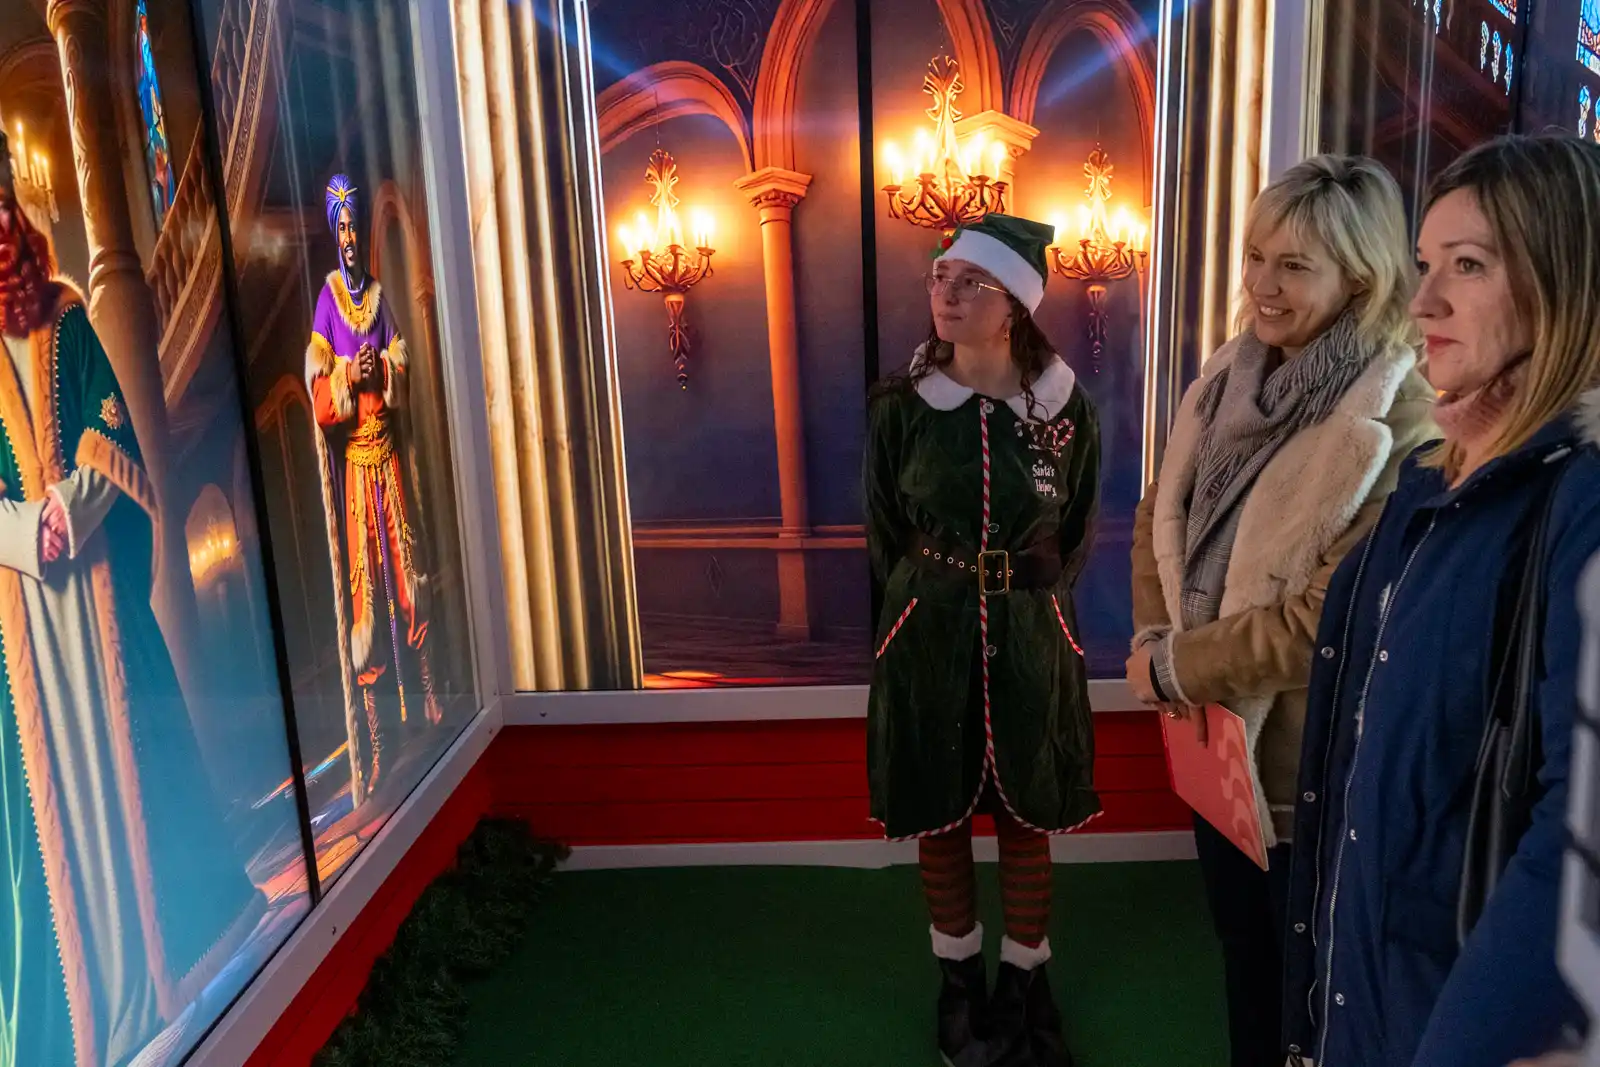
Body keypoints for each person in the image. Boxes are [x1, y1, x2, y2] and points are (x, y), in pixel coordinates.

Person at [1282, 133, 1600, 1067]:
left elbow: (1577, 839)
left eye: (1468, 266)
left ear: (1562, 282)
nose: (1423, 302)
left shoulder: (1575, 497)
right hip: (1365, 1000)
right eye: (1425, 265)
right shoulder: (1430, 485)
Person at [1125, 154, 1436, 1067]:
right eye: (1256, 256)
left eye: (1294, 266)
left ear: (1362, 277)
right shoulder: (1231, 372)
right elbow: (1159, 514)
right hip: (1210, 733)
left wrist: (1177, 666)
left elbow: (1321, 622)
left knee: (1310, 985)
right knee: (1243, 958)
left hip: (1304, 764)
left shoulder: (1399, 414)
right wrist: (1156, 638)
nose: (1260, 284)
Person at [0, 126, 265, 1066]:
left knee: (142, 769)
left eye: (0, 211)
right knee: (46, 825)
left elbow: (110, 430)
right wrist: (26, 534)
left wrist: (68, 509)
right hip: (23, 629)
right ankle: (90, 1010)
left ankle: (175, 968)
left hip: (97, 599)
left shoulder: (68, 322)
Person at [864, 213, 1100, 1067]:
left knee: (1028, 810)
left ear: (1015, 307)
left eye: (971, 283)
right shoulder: (902, 408)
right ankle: (958, 979)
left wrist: (1032, 605)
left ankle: (1024, 981)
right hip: (929, 628)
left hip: (1033, 632)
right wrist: (920, 608)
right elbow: (884, 529)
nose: (947, 293)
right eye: (940, 277)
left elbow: (1075, 529)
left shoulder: (1065, 409)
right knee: (941, 810)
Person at [305, 173, 442, 806]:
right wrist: (341, 371)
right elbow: (314, 390)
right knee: (366, 595)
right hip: (358, 465)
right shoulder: (328, 303)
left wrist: (381, 365)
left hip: (390, 455)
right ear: (336, 238)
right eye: (345, 231)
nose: (353, 239)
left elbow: (402, 353)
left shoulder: (380, 296)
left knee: (407, 570)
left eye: (359, 228)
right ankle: (380, 738)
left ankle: (431, 693)